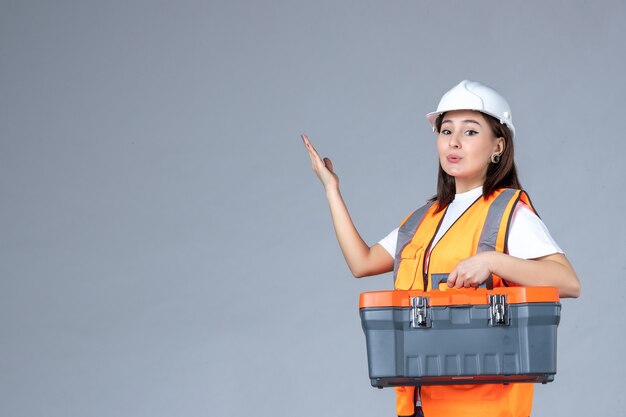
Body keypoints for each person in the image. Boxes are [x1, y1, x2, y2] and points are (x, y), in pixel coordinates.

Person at [301, 79, 581, 417]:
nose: (455, 142)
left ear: (498, 147)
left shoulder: (508, 212)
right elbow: (362, 262)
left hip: (481, 408)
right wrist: (332, 191)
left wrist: (493, 261)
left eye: (471, 132)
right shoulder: (424, 219)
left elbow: (568, 282)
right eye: (446, 131)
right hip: (417, 406)